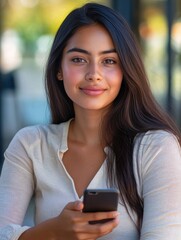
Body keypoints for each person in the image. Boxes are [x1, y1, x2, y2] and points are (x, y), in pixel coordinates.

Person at [0, 2, 181, 240]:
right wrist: (52, 232)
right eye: (78, 59)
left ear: (126, 70)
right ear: (59, 69)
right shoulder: (30, 144)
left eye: (109, 61)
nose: (94, 73)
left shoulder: (157, 148)